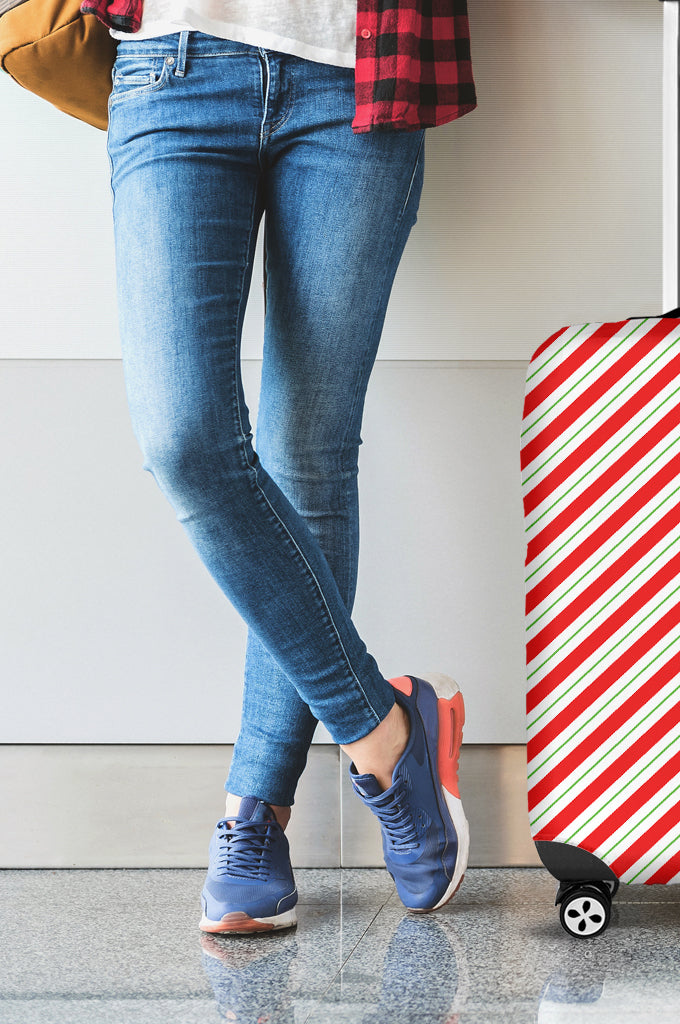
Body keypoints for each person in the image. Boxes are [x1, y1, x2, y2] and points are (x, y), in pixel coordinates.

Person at [85, 0, 475, 933]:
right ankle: (385, 730)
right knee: (184, 441)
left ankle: (255, 813)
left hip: (359, 78)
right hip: (173, 69)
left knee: (308, 456)